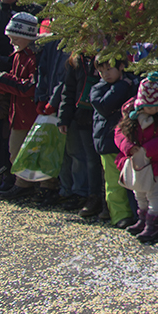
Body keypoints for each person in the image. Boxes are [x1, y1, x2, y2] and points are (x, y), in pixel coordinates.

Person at [114, 75, 158, 242]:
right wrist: (128, 147)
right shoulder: (131, 116)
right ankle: (143, 218)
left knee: (154, 192)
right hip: (136, 161)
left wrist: (149, 149)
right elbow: (119, 132)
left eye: (156, 107)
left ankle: (155, 221)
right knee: (139, 191)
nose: (151, 110)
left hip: (156, 162)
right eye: (148, 107)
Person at [0, 12, 43, 200]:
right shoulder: (19, 55)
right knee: (15, 152)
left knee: (29, 153)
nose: (10, 41)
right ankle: (23, 185)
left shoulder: (33, 57)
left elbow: (28, 87)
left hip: (29, 113)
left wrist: (0, 79)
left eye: (14, 37)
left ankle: (31, 186)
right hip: (17, 112)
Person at [89, 54, 138, 229]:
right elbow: (104, 106)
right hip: (107, 140)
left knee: (137, 178)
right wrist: (120, 86)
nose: (105, 75)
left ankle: (144, 212)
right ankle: (120, 215)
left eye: (109, 69)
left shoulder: (133, 83)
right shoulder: (98, 89)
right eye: (101, 71)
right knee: (113, 180)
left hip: (130, 140)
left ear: (121, 67)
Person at [56, 51, 103, 218]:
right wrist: (63, 118)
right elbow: (68, 90)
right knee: (77, 155)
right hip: (78, 115)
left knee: (92, 160)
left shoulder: (105, 57)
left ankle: (94, 195)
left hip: (97, 115)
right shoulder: (76, 60)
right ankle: (80, 192)